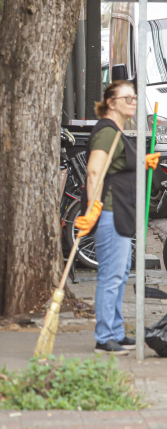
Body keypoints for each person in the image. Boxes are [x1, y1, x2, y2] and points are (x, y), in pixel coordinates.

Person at [75, 81, 160, 355]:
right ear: (111, 102)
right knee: (111, 276)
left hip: (122, 211)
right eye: (127, 98)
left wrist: (142, 162)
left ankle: (116, 332)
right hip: (110, 211)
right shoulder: (107, 133)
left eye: (134, 98)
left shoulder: (118, 132)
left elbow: (119, 169)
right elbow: (95, 173)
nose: (133, 102)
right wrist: (94, 209)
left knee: (121, 274)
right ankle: (104, 337)